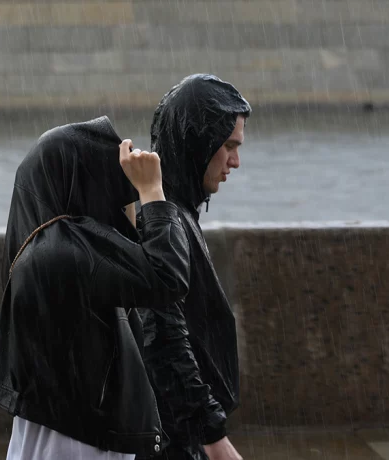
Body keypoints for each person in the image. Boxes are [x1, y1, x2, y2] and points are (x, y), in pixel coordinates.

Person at [0, 116, 191, 459]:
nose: (128, 214)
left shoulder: (41, 248)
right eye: (121, 199)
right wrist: (152, 192)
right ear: (87, 189)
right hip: (80, 444)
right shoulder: (63, 249)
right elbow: (169, 276)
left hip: (61, 436)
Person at [137, 75, 251, 460]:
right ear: (199, 143)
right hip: (171, 439)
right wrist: (213, 436)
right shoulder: (163, 219)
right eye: (229, 146)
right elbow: (163, 335)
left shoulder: (169, 210)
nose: (235, 161)